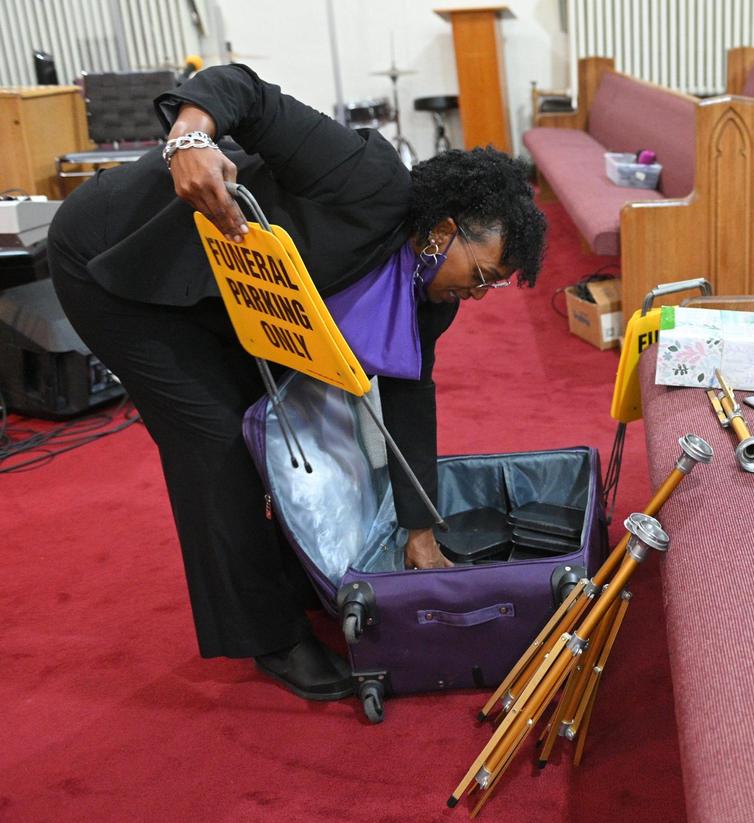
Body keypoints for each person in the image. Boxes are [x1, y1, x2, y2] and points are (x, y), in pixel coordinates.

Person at [47, 63, 547, 701]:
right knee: (217, 443)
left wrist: (420, 530)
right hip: (118, 260)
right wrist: (190, 141)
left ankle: (287, 578)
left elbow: (409, 394)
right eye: (481, 274)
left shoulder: (432, 299)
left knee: (272, 426)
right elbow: (246, 92)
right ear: (444, 232)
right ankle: (271, 639)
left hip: (224, 300)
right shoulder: (367, 184)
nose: (478, 294)